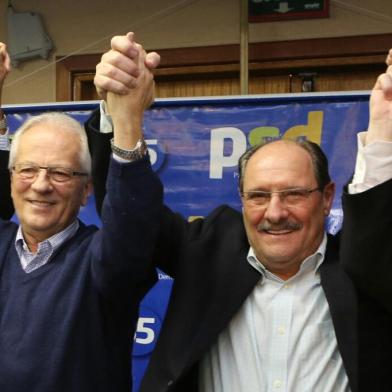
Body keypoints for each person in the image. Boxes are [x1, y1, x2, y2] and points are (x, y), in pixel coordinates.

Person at [86, 34, 369, 392]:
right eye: (258, 196)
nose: (275, 212)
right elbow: (132, 215)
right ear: (241, 198)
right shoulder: (208, 250)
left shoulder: (363, 272)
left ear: (327, 197)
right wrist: (122, 116)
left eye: (294, 194)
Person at [0, 39, 163, 392]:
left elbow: (132, 222)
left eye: (60, 174)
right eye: (27, 170)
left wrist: (125, 119)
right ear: (10, 178)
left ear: (86, 189)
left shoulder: (101, 260)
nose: (41, 186)